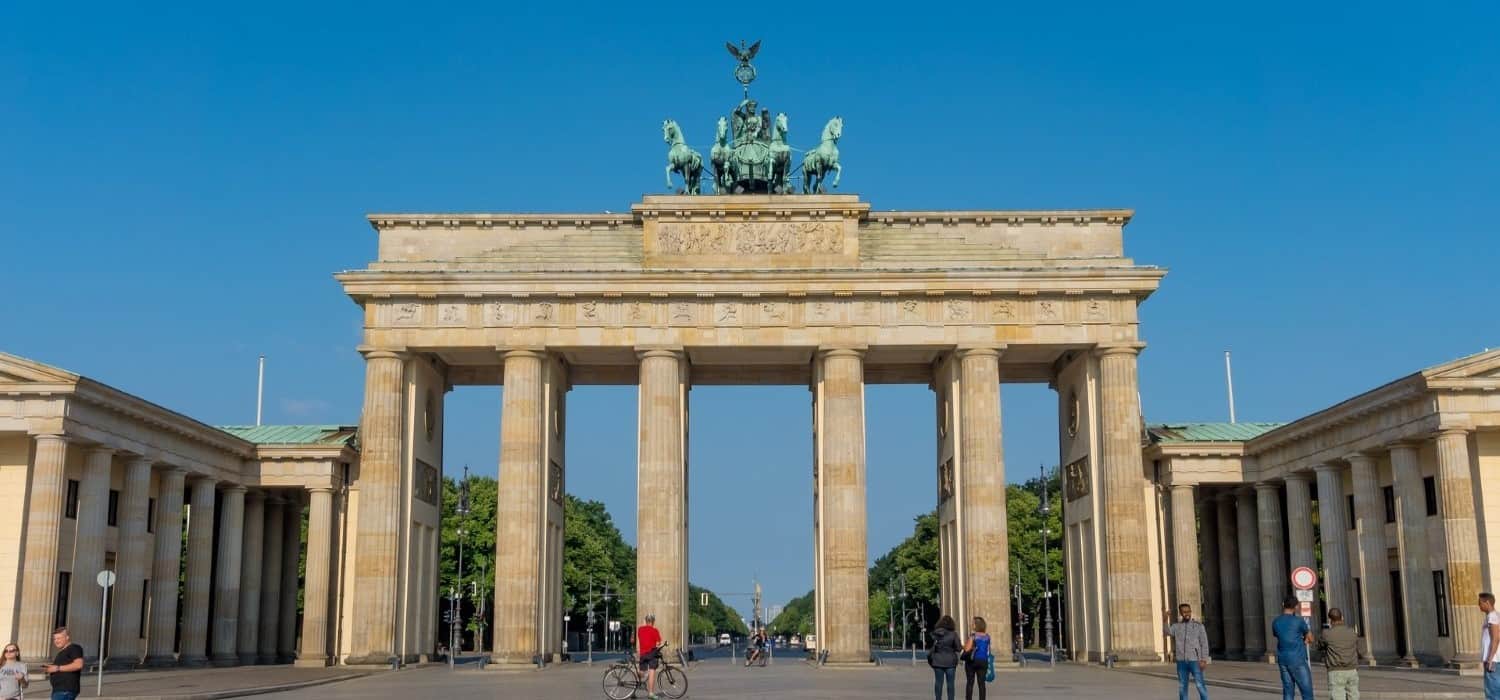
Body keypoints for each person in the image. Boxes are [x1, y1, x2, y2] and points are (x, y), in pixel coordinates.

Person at [1270, 597, 1315, 700]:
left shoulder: (1276, 622)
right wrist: (1305, 640)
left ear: (1283, 605)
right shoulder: (1299, 621)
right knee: (1307, 693)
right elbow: (1311, 638)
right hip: (1297, 659)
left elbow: (1279, 636)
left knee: (1288, 692)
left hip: (1283, 660)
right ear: (1296, 607)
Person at [1165, 603, 1211, 700]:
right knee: (1182, 687)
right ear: (1181, 613)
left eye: (1188, 611)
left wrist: (1204, 659)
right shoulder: (1176, 626)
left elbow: (1204, 644)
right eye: (1184, 612)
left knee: (1200, 685)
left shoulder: (1198, 626)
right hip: (1181, 662)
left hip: (1195, 661)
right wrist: (1165, 619)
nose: (1187, 614)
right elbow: (1167, 632)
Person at [1317, 608, 1362, 700]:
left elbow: (1319, 646)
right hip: (1352, 670)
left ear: (1330, 620)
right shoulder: (1352, 632)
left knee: (1337, 697)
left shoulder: (1327, 633)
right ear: (1342, 617)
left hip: (1335, 670)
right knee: (1354, 696)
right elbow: (1359, 649)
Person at [41, 628, 83, 700]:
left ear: (67, 637)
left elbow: (78, 665)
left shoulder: (74, 648)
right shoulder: (62, 652)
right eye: (54, 639)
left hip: (64, 691)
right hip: (60, 691)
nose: (56, 641)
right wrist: (51, 668)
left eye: (59, 638)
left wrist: (57, 668)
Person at [928, 615, 962, 700]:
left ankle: (938, 698)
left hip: (938, 661)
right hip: (950, 662)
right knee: (950, 684)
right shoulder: (953, 634)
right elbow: (958, 648)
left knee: (938, 682)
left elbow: (933, 646)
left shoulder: (936, 633)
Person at [961, 616, 991, 700]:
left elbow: (967, 649)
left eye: (973, 623)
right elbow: (988, 650)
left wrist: (962, 646)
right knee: (981, 684)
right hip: (983, 661)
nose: (971, 624)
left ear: (976, 625)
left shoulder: (973, 636)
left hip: (973, 661)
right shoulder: (987, 637)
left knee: (970, 682)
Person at [636, 614, 664, 700]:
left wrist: (644, 623)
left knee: (642, 671)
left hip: (643, 654)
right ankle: (651, 693)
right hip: (652, 654)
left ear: (645, 621)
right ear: (653, 621)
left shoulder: (640, 629)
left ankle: (636, 685)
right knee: (652, 672)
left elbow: (641, 634)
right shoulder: (654, 630)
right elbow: (658, 643)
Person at [1480, 592, 1500, 700]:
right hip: (1496, 659)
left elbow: (1496, 638)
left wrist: (1490, 658)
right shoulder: (1496, 615)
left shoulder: (1492, 616)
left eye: (1480, 603)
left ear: (1487, 602)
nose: (1479, 605)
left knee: (1493, 691)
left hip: (1494, 659)